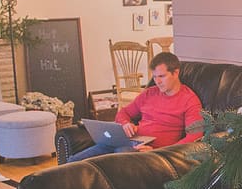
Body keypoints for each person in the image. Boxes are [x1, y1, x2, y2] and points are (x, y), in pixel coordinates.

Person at [68, 52, 203, 162]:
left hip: (150, 150)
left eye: (162, 76)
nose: (158, 81)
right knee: (74, 161)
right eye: (155, 77)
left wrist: (160, 151)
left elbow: (194, 137)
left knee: (120, 155)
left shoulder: (190, 101)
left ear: (176, 73)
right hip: (129, 141)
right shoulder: (150, 93)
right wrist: (126, 124)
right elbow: (123, 113)